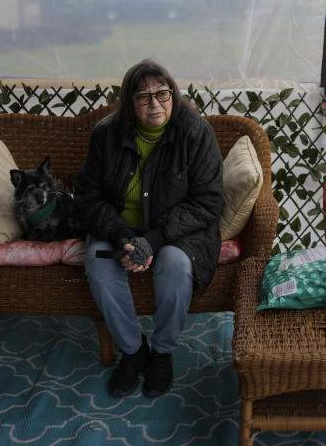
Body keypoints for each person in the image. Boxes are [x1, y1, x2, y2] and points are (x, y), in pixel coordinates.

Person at [75, 59, 223, 398]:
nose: (155, 103)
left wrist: (152, 241)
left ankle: (163, 353)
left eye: (162, 93)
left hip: (176, 236)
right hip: (119, 234)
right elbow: (87, 196)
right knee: (99, 261)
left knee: (175, 266)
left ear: (173, 94)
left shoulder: (195, 132)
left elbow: (209, 200)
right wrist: (124, 238)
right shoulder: (106, 134)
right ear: (129, 102)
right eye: (143, 97)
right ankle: (133, 350)